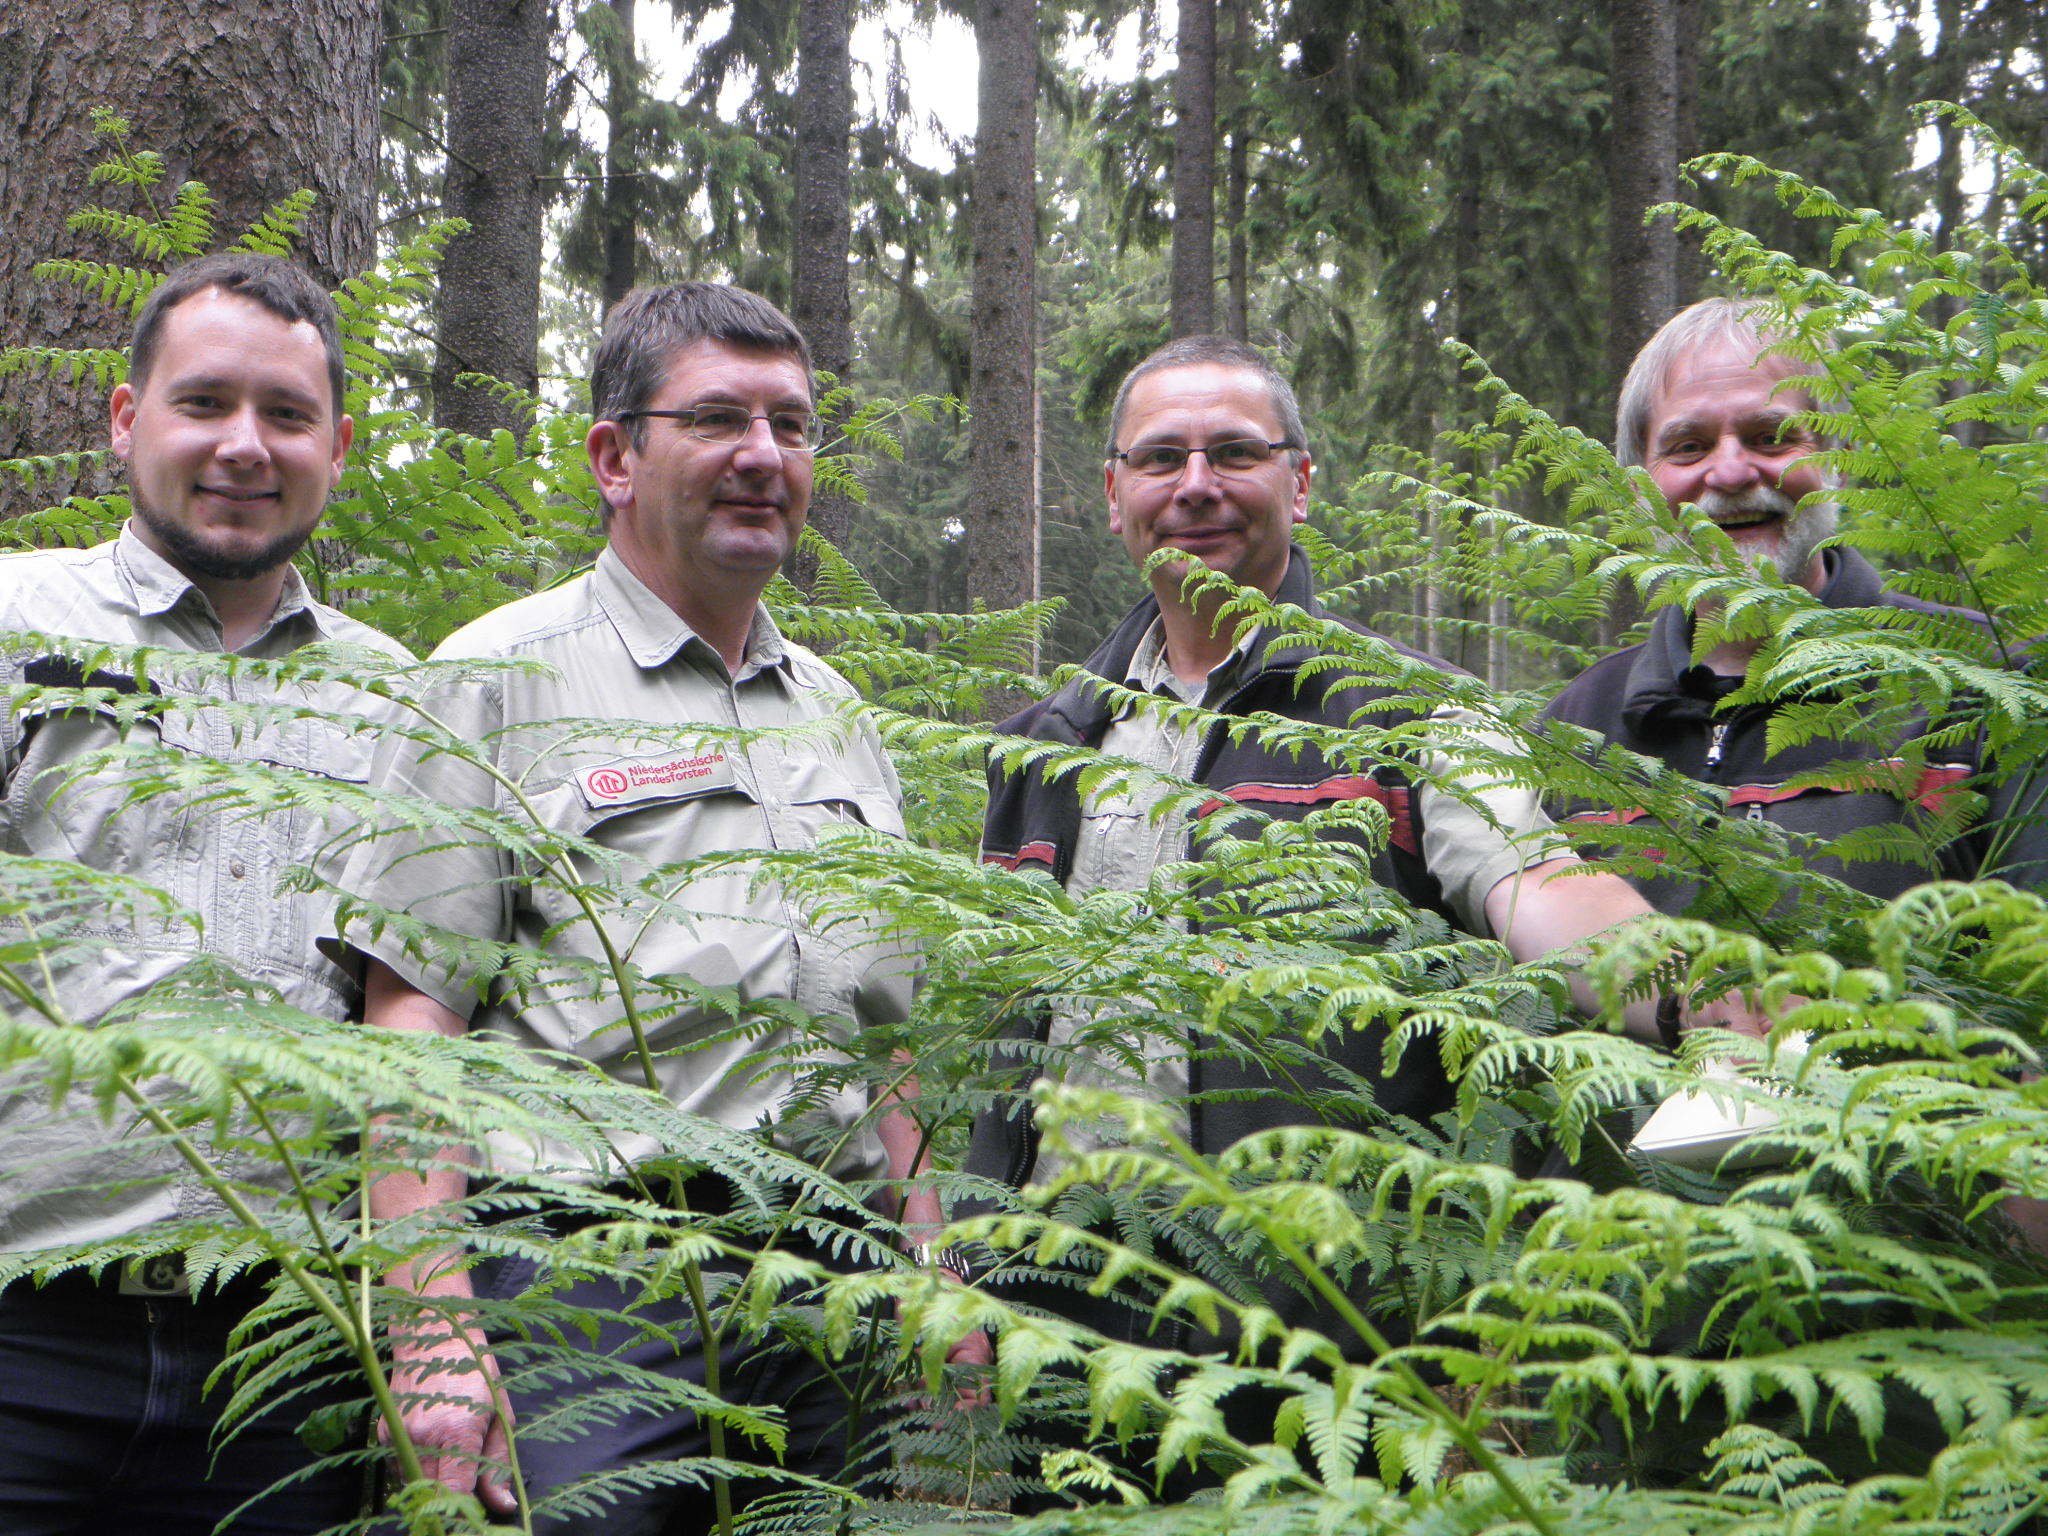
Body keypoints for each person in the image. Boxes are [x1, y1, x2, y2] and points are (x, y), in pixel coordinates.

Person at [963, 336, 1710, 1368]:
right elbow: (996, 1046)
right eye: (1160, 458)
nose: (1195, 486)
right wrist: (959, 1258)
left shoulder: (1407, 713)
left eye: (1235, 453)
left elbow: (1533, 882)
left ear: (1300, 483)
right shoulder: (1043, 747)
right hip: (1053, 1322)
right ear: (1113, 492)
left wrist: (1700, 1000)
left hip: (1313, 1331)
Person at [334, 282, 940, 1534]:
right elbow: (412, 1021)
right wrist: (431, 1325)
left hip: (834, 1296)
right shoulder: (493, 677)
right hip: (587, 1292)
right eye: (716, 419)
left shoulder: (836, 714)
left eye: (789, 424)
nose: (762, 455)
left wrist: (936, 1273)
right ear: (614, 457)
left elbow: (890, 1040)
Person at [0, 253, 409, 1533]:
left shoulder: (405, 699)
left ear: (336, 447)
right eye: (204, 403)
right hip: (22, 1329)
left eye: (286, 415)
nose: (245, 444)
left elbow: (419, 1022)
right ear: (128, 420)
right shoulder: (14, 624)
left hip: (282, 1363)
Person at [1542, 297, 2046, 914]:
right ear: (1639, 488)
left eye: (1771, 437)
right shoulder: (1574, 728)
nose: (1730, 474)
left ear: (1839, 461)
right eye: (1689, 447)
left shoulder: (1990, 687)